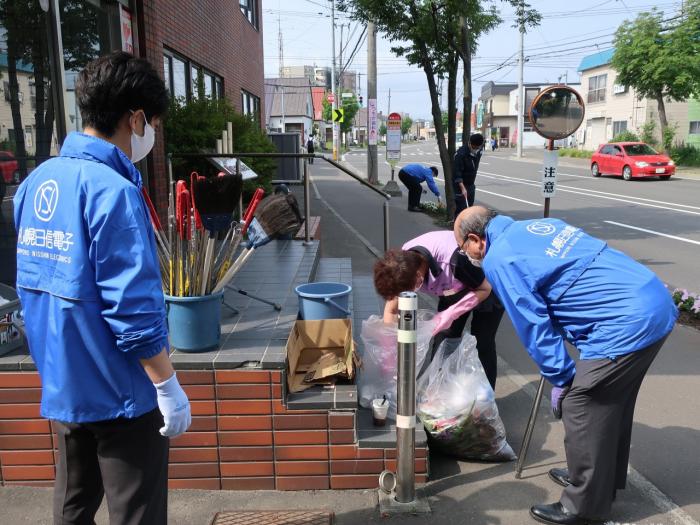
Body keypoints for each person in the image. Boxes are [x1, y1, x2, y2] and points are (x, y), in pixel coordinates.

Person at [13, 52, 191, 525]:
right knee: (137, 513)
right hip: (121, 392)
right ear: (134, 118)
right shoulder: (113, 191)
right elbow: (131, 306)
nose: (149, 133)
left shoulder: (35, 183)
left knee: (72, 506)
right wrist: (167, 383)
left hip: (64, 382)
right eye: (150, 121)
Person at [453, 206, 678, 525]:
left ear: (476, 239)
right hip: (650, 299)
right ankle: (597, 482)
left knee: (581, 402)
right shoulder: (539, 226)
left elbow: (532, 323)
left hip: (626, 320)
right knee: (610, 401)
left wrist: (561, 375)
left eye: (463, 248)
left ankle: (583, 506)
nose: (467, 255)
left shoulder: (499, 257)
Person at [373, 230, 504, 389]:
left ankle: (485, 399)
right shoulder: (401, 266)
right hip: (451, 288)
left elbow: (485, 289)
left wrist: (451, 313)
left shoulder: (454, 261)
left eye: (412, 290)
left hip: (486, 283)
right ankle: (437, 394)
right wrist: (389, 355)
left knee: (482, 340)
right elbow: (392, 310)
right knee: (443, 338)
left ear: (418, 277)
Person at [453, 133, 484, 218]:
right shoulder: (460, 154)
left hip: (470, 185)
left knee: (469, 208)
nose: (476, 149)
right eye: (474, 147)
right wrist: (463, 189)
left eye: (478, 147)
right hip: (460, 187)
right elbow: (457, 173)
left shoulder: (478, 151)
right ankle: (457, 229)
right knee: (461, 211)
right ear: (470, 143)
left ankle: (467, 229)